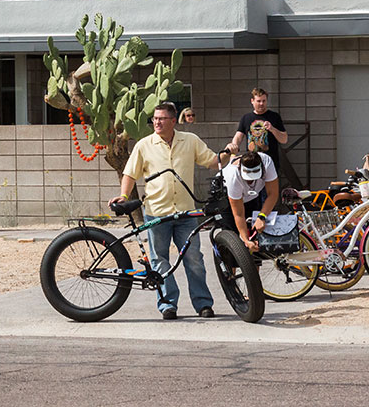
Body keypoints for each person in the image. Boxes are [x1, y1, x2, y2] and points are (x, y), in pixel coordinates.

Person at [110, 102, 226, 320]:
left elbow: (212, 161)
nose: (157, 122)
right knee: (159, 260)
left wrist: (228, 153)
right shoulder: (144, 145)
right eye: (155, 118)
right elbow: (130, 173)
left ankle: (203, 304)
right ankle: (167, 305)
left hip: (185, 214)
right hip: (156, 212)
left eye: (162, 118)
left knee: (194, 260)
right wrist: (124, 196)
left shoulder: (189, 141)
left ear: (173, 121)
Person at [220, 152, 280, 252]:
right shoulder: (233, 176)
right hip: (227, 197)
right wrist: (245, 240)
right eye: (248, 179)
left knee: (256, 236)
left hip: (252, 196)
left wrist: (262, 216)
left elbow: (273, 194)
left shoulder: (267, 163)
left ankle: (253, 265)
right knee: (231, 239)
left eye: (254, 178)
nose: (250, 182)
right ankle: (229, 266)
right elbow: (238, 214)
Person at [227, 87, 288, 170]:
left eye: (264, 101)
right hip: (251, 164)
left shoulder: (274, 117)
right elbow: (238, 136)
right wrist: (233, 148)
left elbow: (284, 139)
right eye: (258, 101)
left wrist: (272, 129)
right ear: (252, 101)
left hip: (270, 164)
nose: (261, 104)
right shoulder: (246, 118)